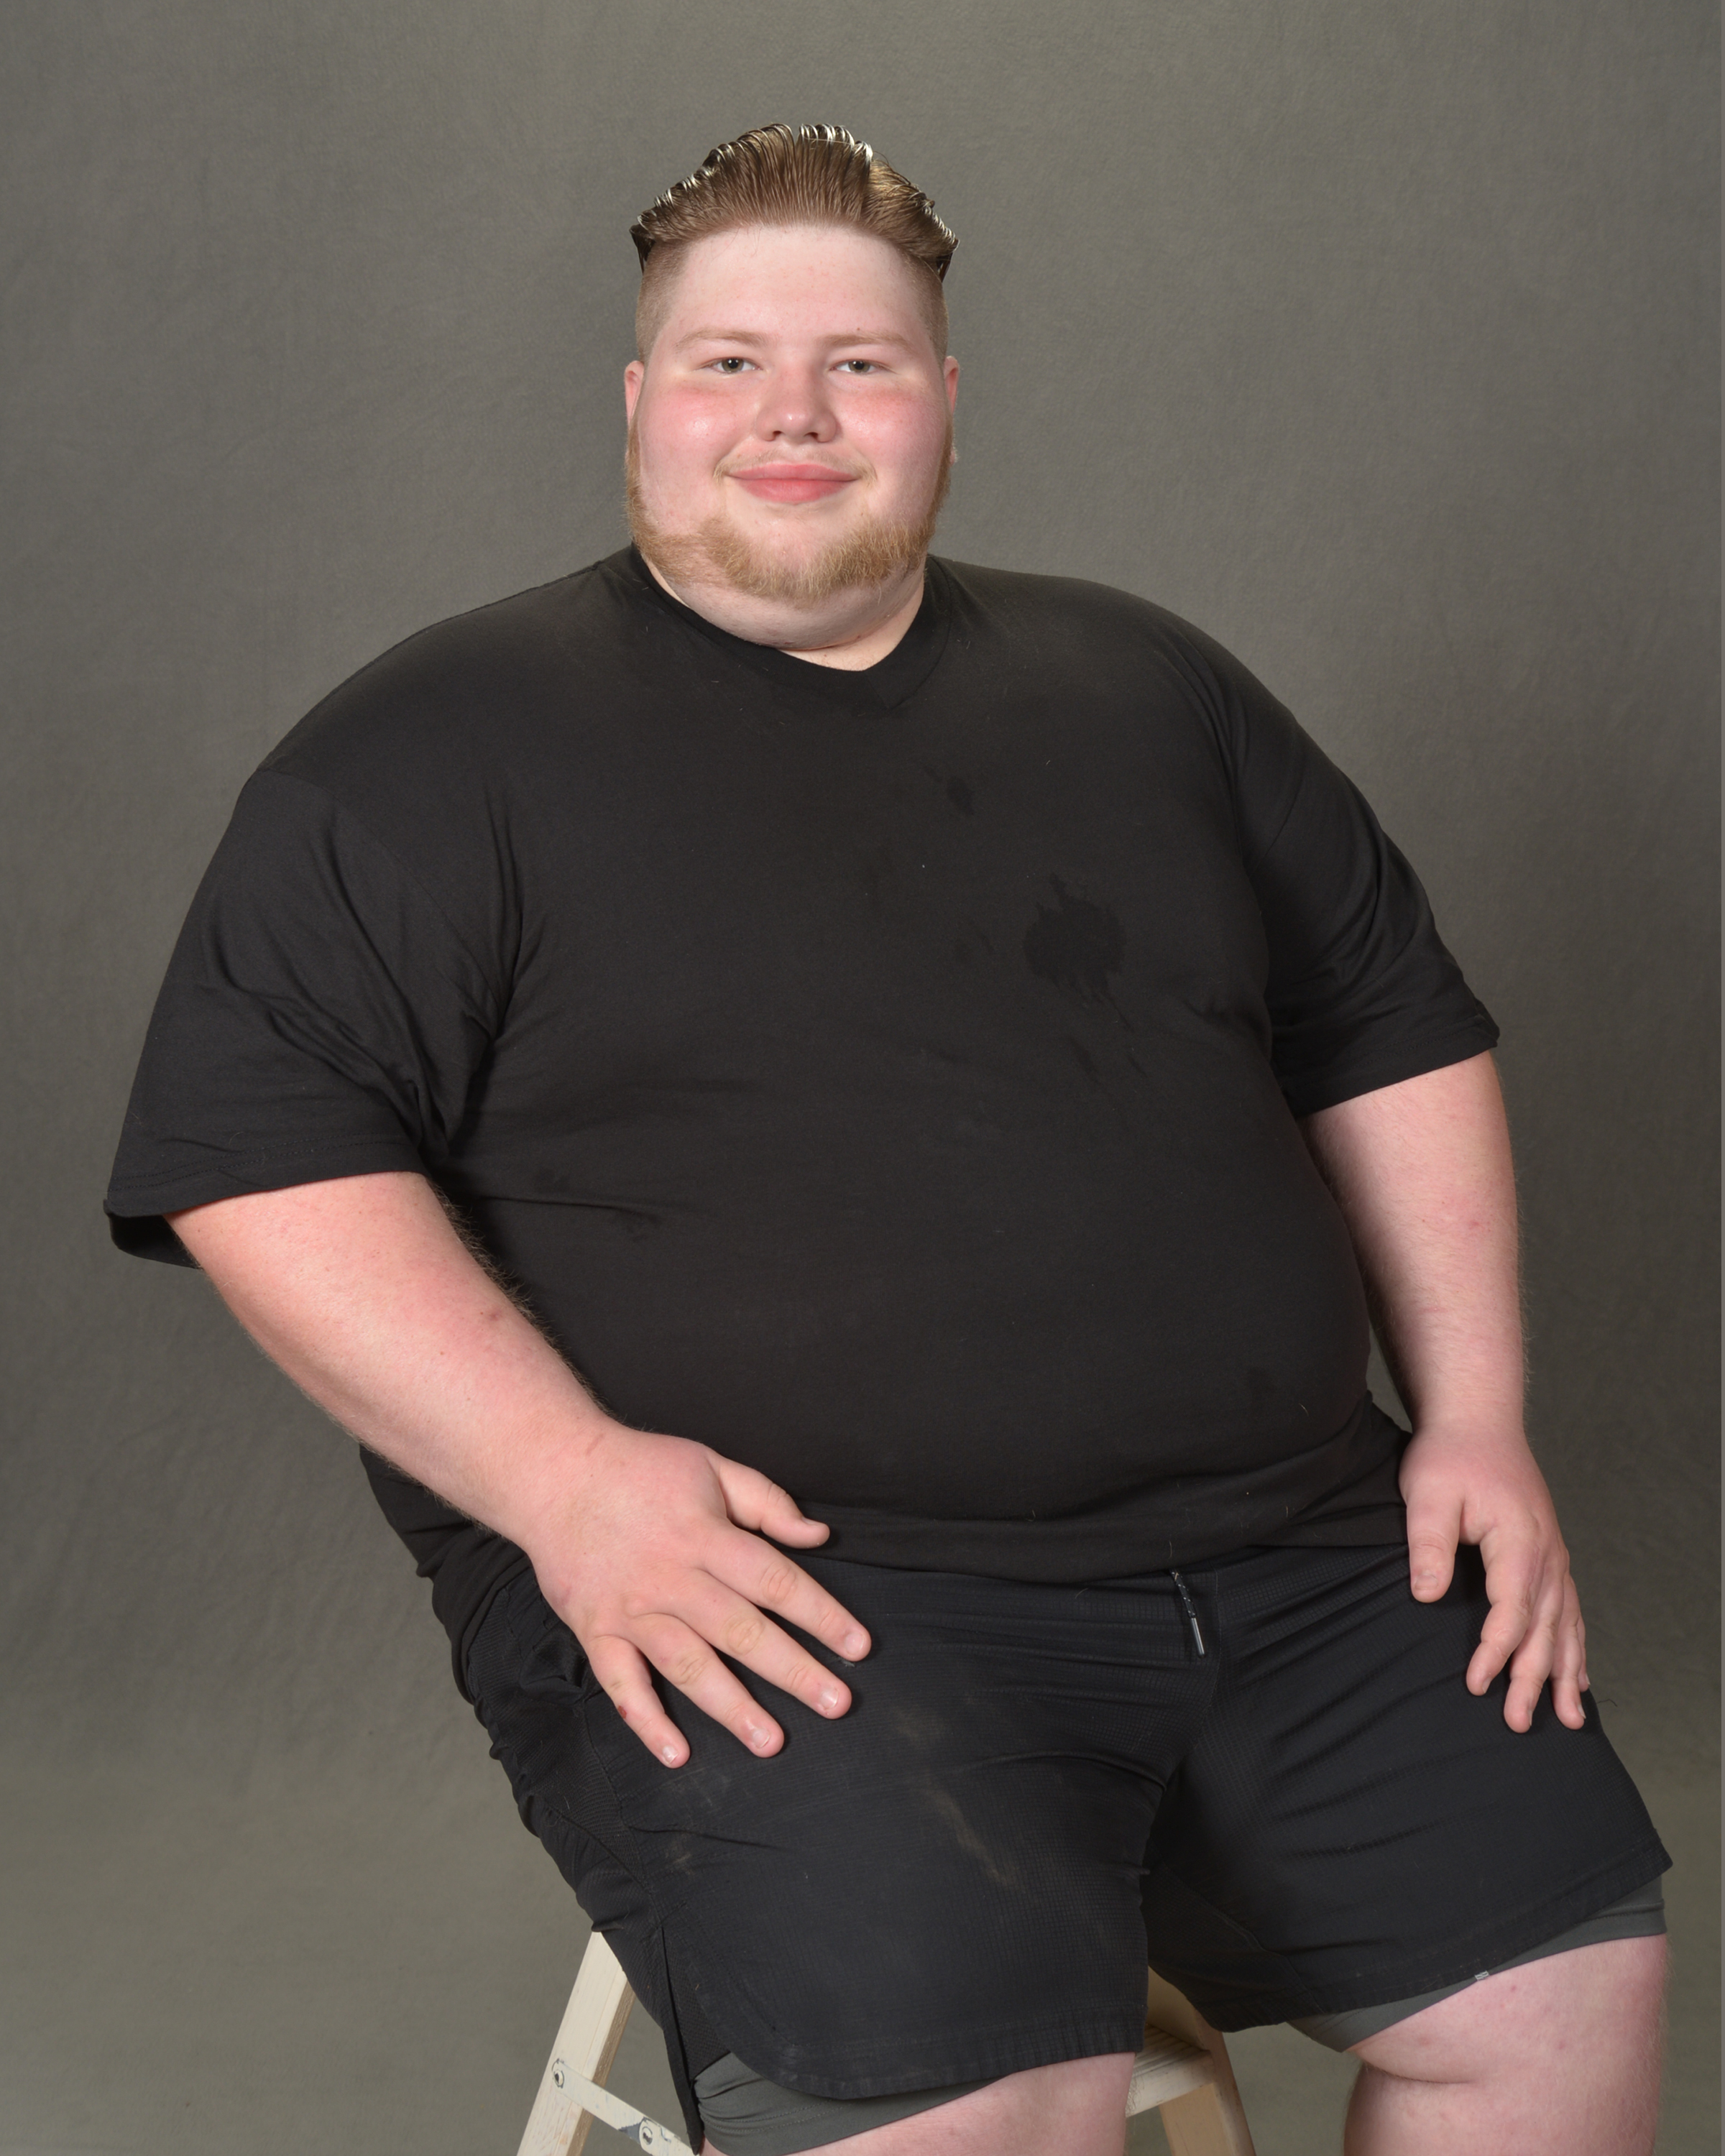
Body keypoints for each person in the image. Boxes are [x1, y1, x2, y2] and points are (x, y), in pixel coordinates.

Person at [106, 124, 1668, 2156]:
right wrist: (566, 1488)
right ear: (641, 399)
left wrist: (1477, 1418)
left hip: (1300, 1549)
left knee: (1564, 2001)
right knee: (997, 2099)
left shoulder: (1152, 687)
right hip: (800, 1591)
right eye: (730, 362)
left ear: (944, 398)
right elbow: (263, 1161)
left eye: (860, 362)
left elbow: (1390, 1029)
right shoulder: (423, 753)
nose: (797, 413)